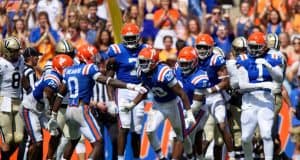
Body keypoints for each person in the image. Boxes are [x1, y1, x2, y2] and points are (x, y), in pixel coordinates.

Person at [50, 45, 147, 160]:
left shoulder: (68, 70)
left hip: (70, 110)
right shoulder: (89, 68)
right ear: (86, 57)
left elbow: (60, 94)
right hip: (82, 110)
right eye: (93, 57)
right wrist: (130, 86)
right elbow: (107, 80)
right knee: (99, 142)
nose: (96, 59)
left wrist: (53, 115)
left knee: (74, 140)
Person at [120, 47, 195, 159]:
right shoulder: (141, 71)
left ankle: (191, 157)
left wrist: (189, 113)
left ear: (154, 61)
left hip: (173, 104)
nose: (143, 64)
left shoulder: (164, 72)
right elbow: (145, 89)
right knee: (149, 131)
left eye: (146, 61)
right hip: (158, 104)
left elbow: (181, 93)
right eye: (141, 61)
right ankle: (161, 156)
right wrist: (132, 104)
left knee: (182, 136)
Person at [236, 32, 283, 160]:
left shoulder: (273, 56)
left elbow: (279, 77)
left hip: (266, 100)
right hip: (249, 101)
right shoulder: (243, 58)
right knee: (245, 138)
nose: (252, 49)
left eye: (256, 46)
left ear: (264, 46)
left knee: (267, 134)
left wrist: (268, 66)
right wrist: (264, 84)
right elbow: (242, 85)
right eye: (251, 46)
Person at [105, 23, 148, 160]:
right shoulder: (116, 51)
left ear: (138, 37)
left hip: (139, 90)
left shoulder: (145, 50)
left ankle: (136, 158)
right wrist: (111, 100)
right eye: (127, 38)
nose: (130, 41)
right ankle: (120, 158)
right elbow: (109, 79)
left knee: (138, 128)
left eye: (132, 38)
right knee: (124, 126)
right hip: (123, 90)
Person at [20, 54, 73, 160]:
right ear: (61, 67)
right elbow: (47, 92)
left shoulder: (57, 75)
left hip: (39, 110)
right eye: (68, 67)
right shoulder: (54, 78)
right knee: (38, 142)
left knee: (56, 132)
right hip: (30, 109)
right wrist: (49, 110)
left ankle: (50, 157)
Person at [195, 33, 234, 159]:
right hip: (200, 98)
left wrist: (212, 89)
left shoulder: (216, 59)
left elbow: (226, 81)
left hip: (215, 96)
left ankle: (232, 156)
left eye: (204, 47)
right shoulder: (193, 58)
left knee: (222, 125)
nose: (201, 50)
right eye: (199, 47)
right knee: (203, 132)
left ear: (211, 48)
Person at [176, 46, 209, 159]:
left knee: (183, 134)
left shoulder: (200, 76)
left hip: (198, 110)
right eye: (182, 64)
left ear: (195, 62)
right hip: (183, 107)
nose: (183, 66)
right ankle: (197, 157)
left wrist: (183, 114)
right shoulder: (176, 69)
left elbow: (196, 106)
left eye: (187, 64)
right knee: (194, 137)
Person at [0, 36, 25, 159]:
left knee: (19, 137)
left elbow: (22, 77)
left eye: (17, 50)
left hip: (18, 100)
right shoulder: (1, 63)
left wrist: (29, 90)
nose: (17, 53)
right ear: (7, 51)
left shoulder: (21, 60)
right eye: (14, 51)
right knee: (7, 137)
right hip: (4, 100)